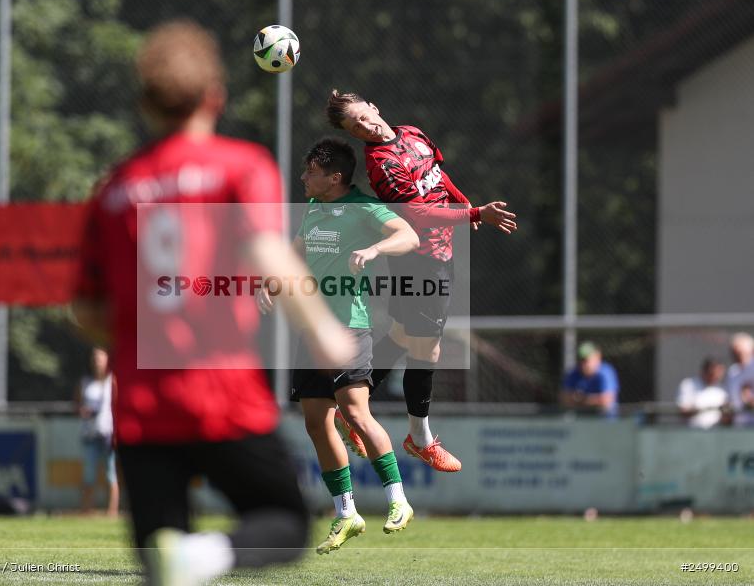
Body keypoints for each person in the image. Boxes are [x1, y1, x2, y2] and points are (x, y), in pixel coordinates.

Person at [72, 20, 354, 586]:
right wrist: (324, 332)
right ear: (215, 96)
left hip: (145, 408)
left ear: (144, 105)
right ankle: (207, 556)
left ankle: (185, 558)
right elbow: (270, 255)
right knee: (284, 524)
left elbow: (85, 310)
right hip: (222, 394)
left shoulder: (113, 188)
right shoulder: (240, 166)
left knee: (161, 563)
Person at [326, 89, 517, 472]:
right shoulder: (381, 163)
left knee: (400, 334)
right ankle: (420, 437)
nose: (364, 126)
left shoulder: (412, 133)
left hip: (438, 256)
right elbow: (419, 213)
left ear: (374, 106)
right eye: (355, 127)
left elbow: (438, 176)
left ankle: (349, 408)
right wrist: (476, 213)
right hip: (420, 260)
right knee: (426, 349)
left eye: (363, 115)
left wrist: (465, 206)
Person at [258, 137, 418, 553]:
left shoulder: (363, 207)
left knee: (354, 411)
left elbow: (408, 235)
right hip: (312, 333)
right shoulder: (314, 209)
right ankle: (346, 513)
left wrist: (375, 248)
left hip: (349, 328)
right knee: (315, 421)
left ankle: (398, 501)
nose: (303, 177)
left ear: (335, 177)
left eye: (310, 171)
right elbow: (295, 255)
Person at [76, 347, 118, 515]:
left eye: (100, 358)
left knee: (110, 473)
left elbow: (118, 406)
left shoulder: (112, 381)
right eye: (94, 358)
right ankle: (86, 511)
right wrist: (82, 410)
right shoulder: (85, 382)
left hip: (108, 433)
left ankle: (112, 512)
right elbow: (77, 404)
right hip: (89, 434)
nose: (97, 362)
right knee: (89, 474)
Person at [561, 341, 620, 418]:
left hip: (606, 422)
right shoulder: (573, 373)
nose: (583, 363)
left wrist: (581, 399)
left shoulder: (605, 372)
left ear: (597, 357)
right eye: (581, 359)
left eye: (587, 359)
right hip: (582, 421)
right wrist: (594, 400)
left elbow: (606, 400)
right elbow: (565, 399)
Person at [676, 357, 728, 429]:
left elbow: (726, 417)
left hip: (715, 434)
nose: (717, 375)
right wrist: (700, 409)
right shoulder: (688, 385)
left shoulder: (722, 390)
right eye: (714, 372)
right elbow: (683, 411)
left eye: (720, 372)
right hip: (692, 432)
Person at [726, 332, 754, 426]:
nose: (736, 356)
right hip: (739, 426)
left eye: (740, 353)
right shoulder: (733, 372)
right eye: (734, 353)